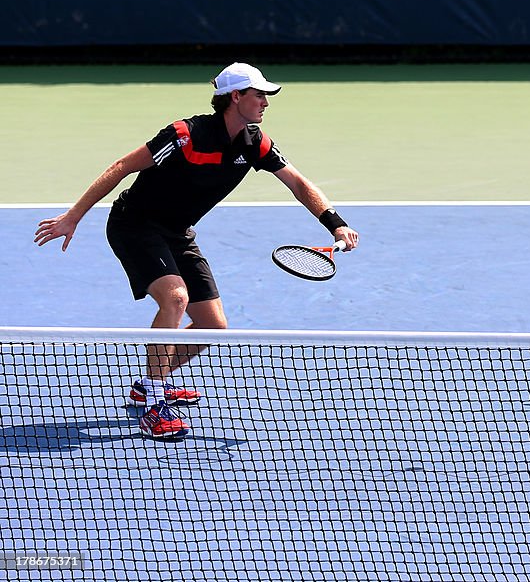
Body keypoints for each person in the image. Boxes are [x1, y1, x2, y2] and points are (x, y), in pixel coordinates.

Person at [34, 63, 359, 439]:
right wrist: (74, 217)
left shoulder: (255, 143)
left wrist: (335, 222)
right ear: (234, 97)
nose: (265, 103)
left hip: (177, 232)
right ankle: (154, 404)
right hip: (134, 224)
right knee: (175, 297)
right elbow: (122, 166)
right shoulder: (185, 134)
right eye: (258, 95)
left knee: (214, 327)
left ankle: (149, 382)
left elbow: (298, 183)